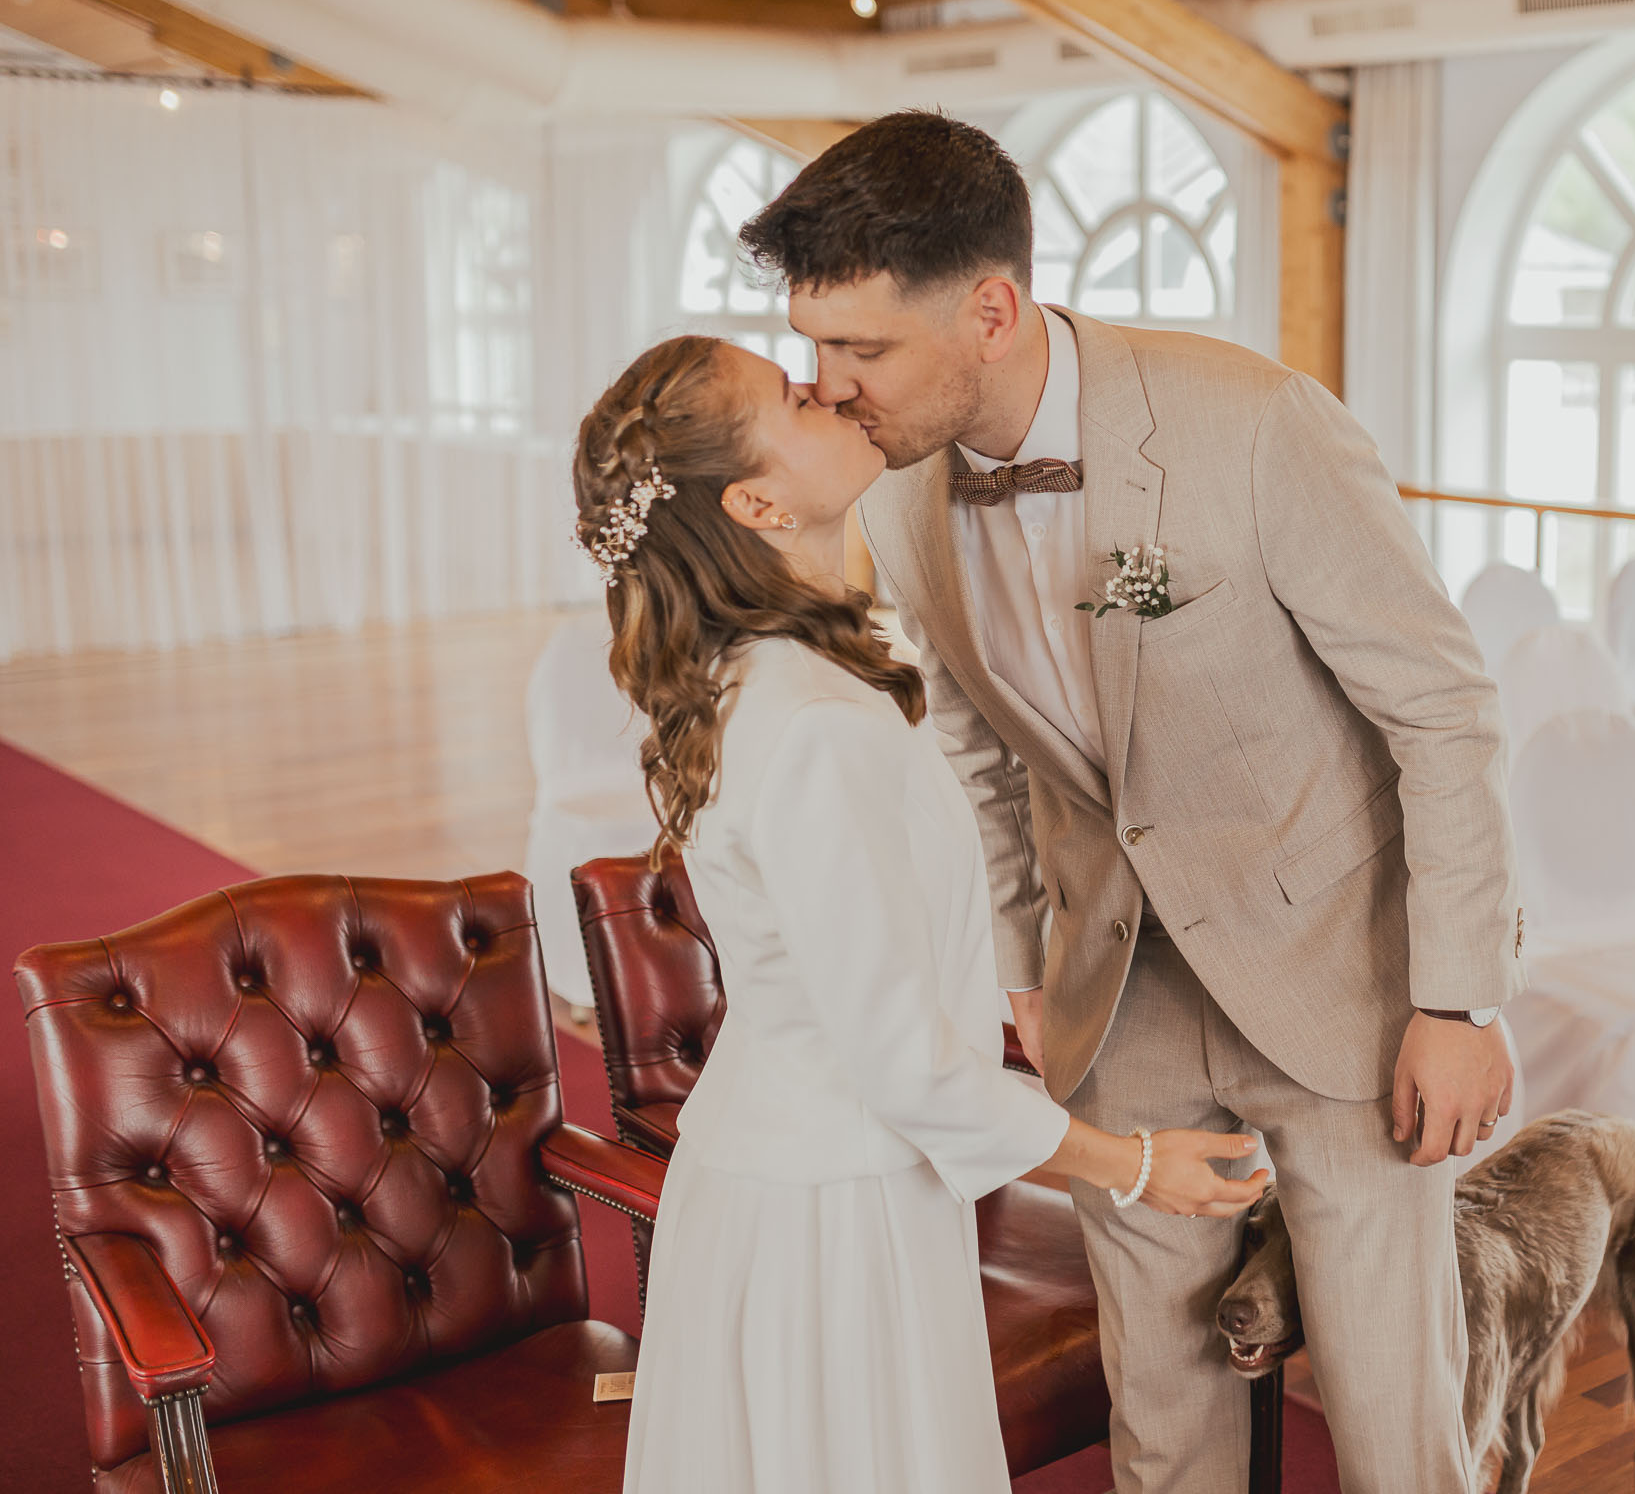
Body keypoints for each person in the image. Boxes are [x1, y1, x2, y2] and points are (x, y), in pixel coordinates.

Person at [742, 112, 1524, 1494]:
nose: (832, 385)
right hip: (1118, 995)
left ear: (990, 309)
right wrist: (1019, 972)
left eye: (861, 348)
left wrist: (1457, 1002)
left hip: (1340, 973)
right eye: (816, 347)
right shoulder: (898, 500)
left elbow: (1443, 709)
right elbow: (976, 750)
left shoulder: (1253, 424)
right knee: (1161, 1419)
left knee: (1393, 1414)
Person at [569, 332, 1267, 1494]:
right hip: (828, 1218)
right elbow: (910, 1074)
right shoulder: (811, 727)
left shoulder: (781, 673)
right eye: (796, 396)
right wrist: (1137, 1165)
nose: (832, 388)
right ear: (755, 498)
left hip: (802, 1178)